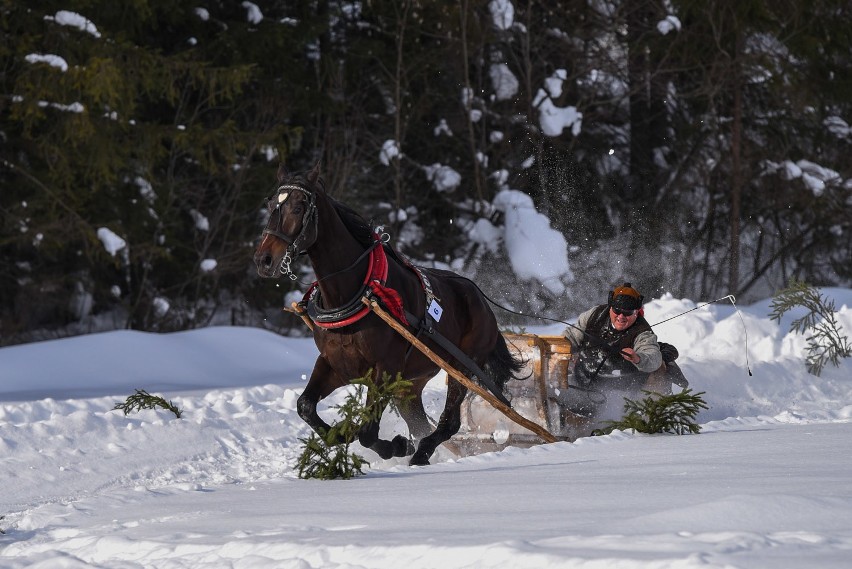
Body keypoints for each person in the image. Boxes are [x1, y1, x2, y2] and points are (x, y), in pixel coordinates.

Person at [562, 283, 682, 419]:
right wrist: (562, 349)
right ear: (610, 307)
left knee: (660, 369)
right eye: (617, 310)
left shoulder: (643, 332)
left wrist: (638, 358)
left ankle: (649, 420)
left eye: (627, 313)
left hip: (621, 393)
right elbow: (570, 336)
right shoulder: (594, 315)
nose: (621, 316)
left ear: (636, 312)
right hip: (582, 381)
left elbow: (653, 357)